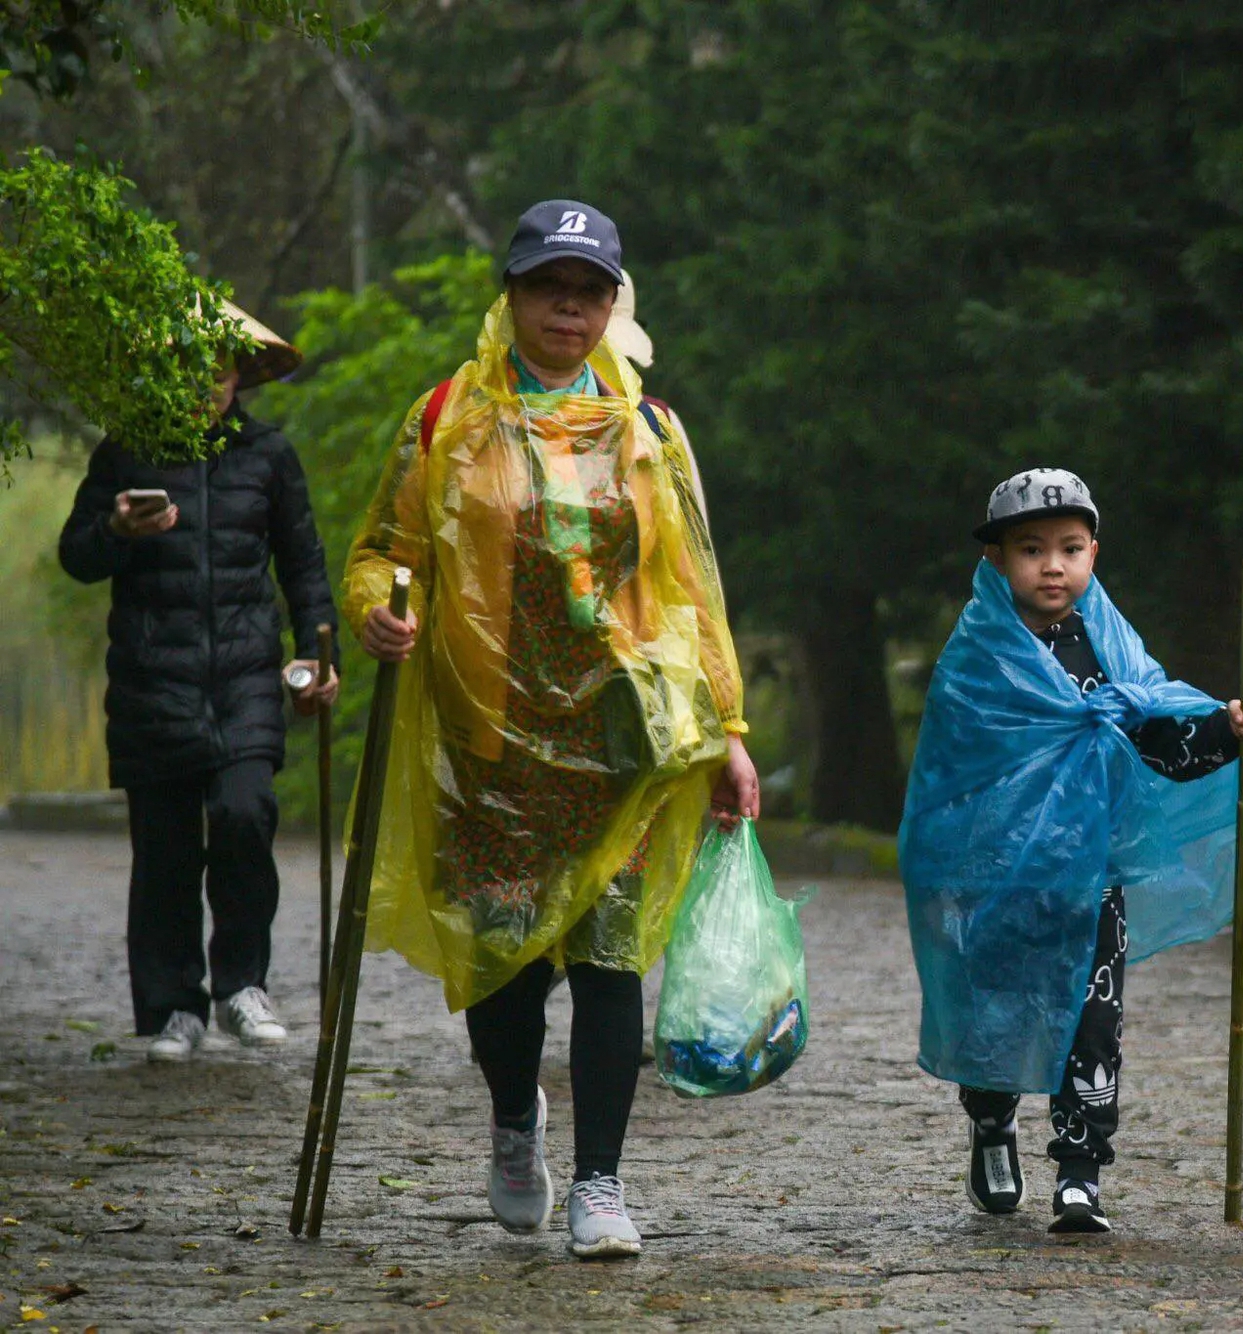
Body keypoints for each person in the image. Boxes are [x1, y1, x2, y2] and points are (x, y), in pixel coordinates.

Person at [345, 199, 759, 1260]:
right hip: (488, 747)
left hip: (620, 741)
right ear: (513, 295)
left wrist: (728, 729)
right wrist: (380, 610)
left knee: (613, 960)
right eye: (546, 285)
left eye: (587, 289)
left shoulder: (652, 432)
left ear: (612, 303)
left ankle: (602, 1181)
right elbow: (383, 550)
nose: (566, 306)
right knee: (506, 976)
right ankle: (515, 1116)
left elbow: (694, 591)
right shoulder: (445, 419)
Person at [900, 469, 1243, 1235]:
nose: (1052, 566)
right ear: (996, 561)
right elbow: (953, 777)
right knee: (995, 1014)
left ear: (1095, 552)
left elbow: (1159, 733)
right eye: (1030, 549)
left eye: (1070, 547)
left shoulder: (1109, 644)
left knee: (1092, 1020)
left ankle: (1081, 1172)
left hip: (1091, 876)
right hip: (995, 881)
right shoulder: (978, 659)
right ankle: (991, 1122)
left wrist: (1227, 729)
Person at [59, 301, 340, 1063]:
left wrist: (319, 656)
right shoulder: (125, 455)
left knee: (247, 815)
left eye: (215, 369)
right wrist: (118, 529)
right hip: (153, 678)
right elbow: (77, 555)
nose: (201, 384)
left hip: (247, 674)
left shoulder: (269, 456)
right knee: (166, 847)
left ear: (239, 375)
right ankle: (172, 1007)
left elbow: (304, 564)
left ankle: (241, 984)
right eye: (183, 367)